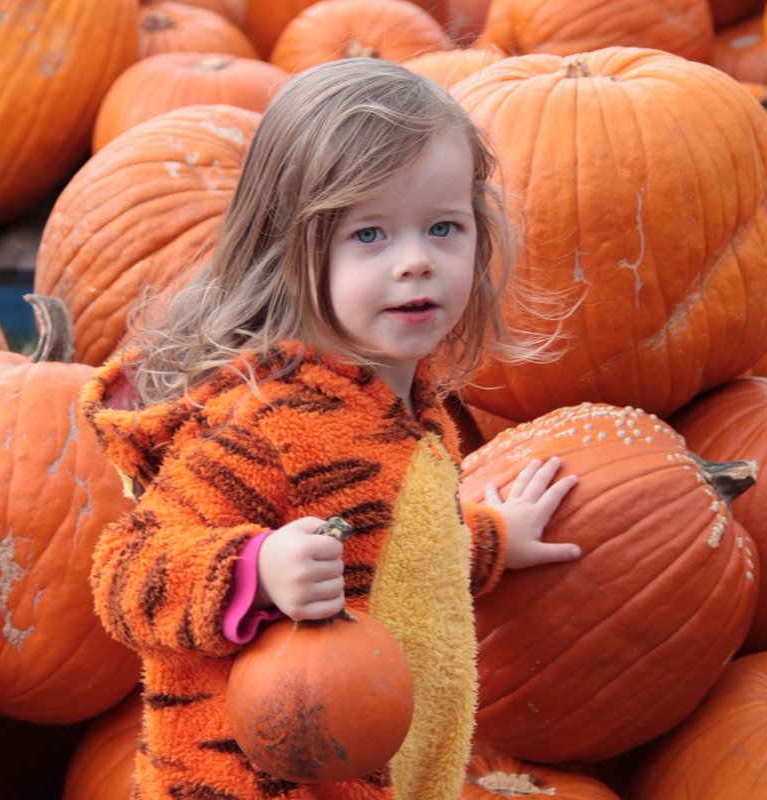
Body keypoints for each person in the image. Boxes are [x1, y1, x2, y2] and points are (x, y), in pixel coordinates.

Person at [80, 58, 580, 800]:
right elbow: (126, 572)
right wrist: (255, 574)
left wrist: (492, 538)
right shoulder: (266, 420)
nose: (415, 262)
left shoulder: (398, 408)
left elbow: (386, 551)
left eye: (444, 227)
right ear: (291, 248)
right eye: (369, 234)